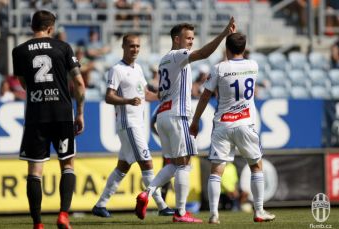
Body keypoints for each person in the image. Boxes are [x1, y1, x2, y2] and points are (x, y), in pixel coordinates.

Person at [135, 17, 236, 223]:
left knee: (174, 163)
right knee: (185, 164)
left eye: (192, 38)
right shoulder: (179, 55)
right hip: (177, 115)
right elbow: (205, 53)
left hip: (162, 115)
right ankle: (181, 213)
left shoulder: (164, 59)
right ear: (176, 39)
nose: (190, 42)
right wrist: (225, 33)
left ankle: (148, 192)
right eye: (187, 38)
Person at [189, 32, 275, 224]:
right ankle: (259, 211)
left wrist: (195, 121)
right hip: (245, 123)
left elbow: (204, 96)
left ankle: (213, 214)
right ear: (243, 49)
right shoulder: (253, 66)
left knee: (216, 171)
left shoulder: (219, 68)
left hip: (223, 124)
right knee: (256, 166)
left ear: (225, 49)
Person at [12, 10, 85, 229]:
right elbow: (79, 84)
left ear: (32, 26)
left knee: (35, 172)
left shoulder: (19, 51)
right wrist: (79, 111)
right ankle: (63, 214)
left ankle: (38, 223)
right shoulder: (63, 47)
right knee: (68, 165)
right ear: (51, 28)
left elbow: (24, 84)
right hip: (62, 114)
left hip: (36, 115)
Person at [91, 33, 174, 218]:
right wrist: (128, 101)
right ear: (123, 47)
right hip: (128, 123)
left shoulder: (138, 69)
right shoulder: (117, 69)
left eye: (137, 46)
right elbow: (108, 96)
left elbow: (145, 94)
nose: (135, 49)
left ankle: (101, 204)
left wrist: (163, 95)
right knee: (147, 162)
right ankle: (161, 205)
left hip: (137, 123)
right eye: (131, 46)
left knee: (123, 166)